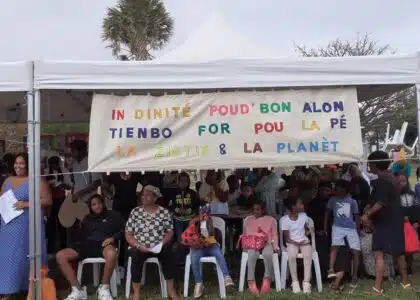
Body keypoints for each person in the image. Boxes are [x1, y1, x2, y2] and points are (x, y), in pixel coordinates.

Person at [0, 153, 52, 299]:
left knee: (25, 255)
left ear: (28, 164)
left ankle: (28, 288)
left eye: (22, 163)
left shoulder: (37, 180)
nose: (18, 166)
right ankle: (7, 289)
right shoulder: (7, 181)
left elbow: (47, 200)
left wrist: (26, 204)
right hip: (8, 225)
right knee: (8, 256)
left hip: (28, 224)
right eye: (16, 163)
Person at [56, 194, 124, 300]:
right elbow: (80, 237)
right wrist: (75, 227)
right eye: (94, 204)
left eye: (99, 203)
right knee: (61, 255)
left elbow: (125, 230)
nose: (97, 206)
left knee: (111, 253)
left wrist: (113, 238)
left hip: (104, 245)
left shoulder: (113, 215)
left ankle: (104, 288)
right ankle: (78, 290)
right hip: (87, 246)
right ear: (90, 206)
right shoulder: (87, 219)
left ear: (103, 203)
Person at [361, 150, 410, 296]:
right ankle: (405, 283)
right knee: (399, 253)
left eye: (370, 163)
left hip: (384, 222)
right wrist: (368, 207)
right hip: (396, 220)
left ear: (375, 164)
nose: (368, 166)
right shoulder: (392, 179)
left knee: (379, 255)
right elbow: (377, 200)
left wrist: (367, 215)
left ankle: (377, 288)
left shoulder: (381, 181)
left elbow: (381, 202)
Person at [125, 185, 180, 300]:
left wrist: (161, 243)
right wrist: (138, 245)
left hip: (158, 245)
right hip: (140, 246)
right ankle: (136, 293)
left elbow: (170, 232)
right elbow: (128, 234)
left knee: (168, 253)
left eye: (147, 195)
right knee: (135, 254)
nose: (143, 197)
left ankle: (171, 291)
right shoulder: (135, 212)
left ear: (155, 198)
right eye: (142, 195)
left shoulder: (164, 212)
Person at [189, 208, 234, 298]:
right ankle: (198, 283)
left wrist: (207, 222)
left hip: (211, 246)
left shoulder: (210, 221)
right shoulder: (194, 221)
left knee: (218, 252)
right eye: (201, 212)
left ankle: (226, 276)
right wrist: (197, 219)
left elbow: (210, 233)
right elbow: (190, 228)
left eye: (205, 213)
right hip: (198, 248)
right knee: (193, 257)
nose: (203, 215)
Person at [324, 179, 360, 289]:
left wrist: (357, 229)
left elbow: (356, 216)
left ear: (345, 189)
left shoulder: (352, 202)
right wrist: (326, 227)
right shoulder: (332, 200)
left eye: (339, 188)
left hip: (351, 228)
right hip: (337, 227)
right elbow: (327, 214)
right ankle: (331, 269)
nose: (337, 190)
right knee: (334, 247)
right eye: (336, 188)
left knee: (356, 251)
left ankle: (355, 276)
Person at [243, 202, 279, 296]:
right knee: (251, 255)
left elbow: (275, 234)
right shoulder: (249, 220)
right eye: (254, 209)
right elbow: (246, 235)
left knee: (268, 254)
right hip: (253, 243)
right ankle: (251, 281)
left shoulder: (270, 220)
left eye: (258, 209)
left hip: (267, 242)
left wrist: (275, 246)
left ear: (262, 210)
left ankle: (267, 279)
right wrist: (245, 247)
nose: (256, 211)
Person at [280, 196, 313, 294]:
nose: (302, 205)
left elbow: (309, 228)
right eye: (300, 204)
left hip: (303, 241)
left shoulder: (303, 216)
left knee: (308, 255)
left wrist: (307, 233)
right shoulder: (285, 220)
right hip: (292, 242)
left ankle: (306, 282)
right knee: (292, 256)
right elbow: (287, 238)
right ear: (294, 207)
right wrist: (296, 242)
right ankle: (295, 282)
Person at [45, 156, 72, 253]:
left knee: (62, 224)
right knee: (50, 225)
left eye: (56, 164)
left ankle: (63, 247)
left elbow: (70, 186)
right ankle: (50, 248)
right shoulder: (46, 171)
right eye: (52, 164)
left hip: (61, 200)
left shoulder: (64, 171)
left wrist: (62, 185)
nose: (54, 166)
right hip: (49, 200)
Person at [306, 181, 332, 279]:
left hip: (331, 230)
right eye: (325, 190)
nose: (328, 193)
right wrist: (317, 230)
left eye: (329, 190)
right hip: (318, 232)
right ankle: (321, 274)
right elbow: (311, 220)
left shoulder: (331, 200)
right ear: (320, 190)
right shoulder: (314, 203)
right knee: (321, 250)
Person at [396, 173, 420, 274]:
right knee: (400, 246)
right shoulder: (394, 196)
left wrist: (416, 222)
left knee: (410, 247)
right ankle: (400, 267)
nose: (402, 183)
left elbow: (417, 209)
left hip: (411, 224)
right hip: (399, 224)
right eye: (399, 182)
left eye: (404, 181)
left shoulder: (412, 194)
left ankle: (409, 266)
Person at [169, 172, 200, 243]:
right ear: (178, 181)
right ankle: (181, 252)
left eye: (185, 181)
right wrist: (177, 209)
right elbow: (170, 205)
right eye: (181, 181)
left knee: (190, 238)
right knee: (180, 239)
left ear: (188, 182)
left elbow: (196, 205)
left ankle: (189, 252)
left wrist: (189, 210)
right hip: (178, 220)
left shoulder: (192, 193)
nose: (183, 183)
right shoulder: (173, 193)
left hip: (190, 220)